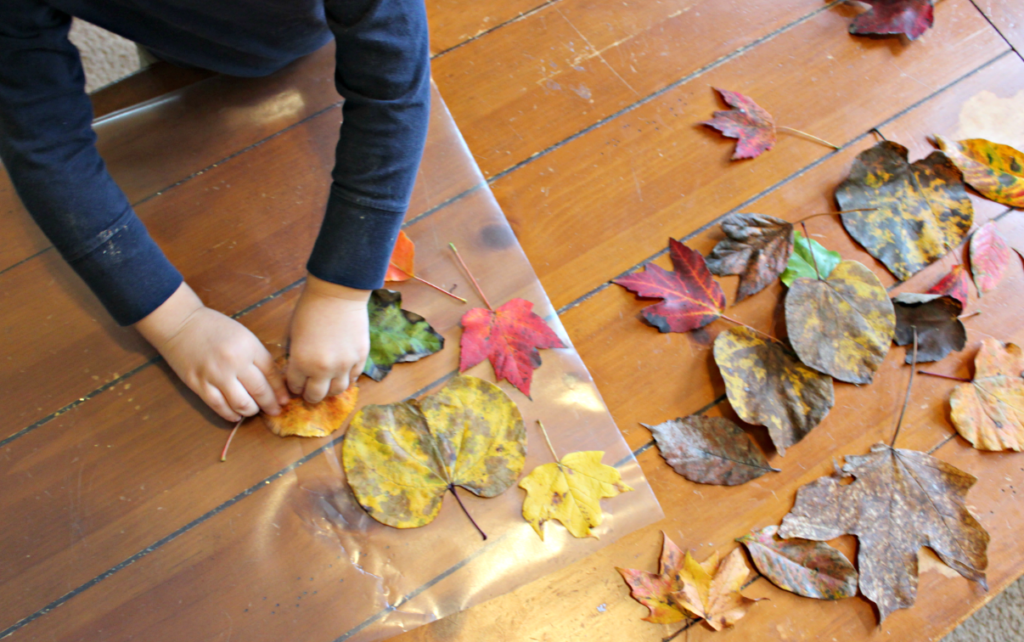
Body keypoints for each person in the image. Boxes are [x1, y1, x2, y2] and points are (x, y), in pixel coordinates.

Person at [0, 0, 431, 422]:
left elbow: (392, 86)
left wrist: (341, 291)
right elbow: (45, 144)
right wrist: (177, 323)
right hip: (176, 42)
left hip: (310, 32)